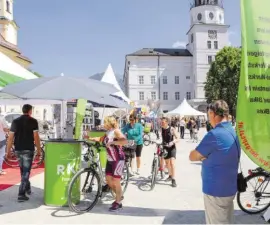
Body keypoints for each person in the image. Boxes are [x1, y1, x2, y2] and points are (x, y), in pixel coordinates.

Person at [189, 100, 239, 224]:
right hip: (229, 188)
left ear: (212, 113)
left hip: (216, 191)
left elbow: (192, 156)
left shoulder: (214, 135)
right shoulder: (233, 132)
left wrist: (202, 157)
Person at [85, 116, 127, 212]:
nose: (103, 124)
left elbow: (124, 141)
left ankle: (118, 202)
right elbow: (100, 139)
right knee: (108, 180)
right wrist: (89, 137)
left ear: (109, 123)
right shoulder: (108, 132)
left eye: (105, 122)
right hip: (110, 159)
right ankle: (119, 195)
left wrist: (112, 142)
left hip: (118, 159)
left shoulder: (116, 131)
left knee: (116, 181)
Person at [6, 104, 42, 202]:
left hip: (18, 149)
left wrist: (8, 151)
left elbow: (10, 138)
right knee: (26, 171)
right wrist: (39, 150)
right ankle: (21, 194)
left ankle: (27, 188)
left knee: (23, 170)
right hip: (28, 149)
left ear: (23, 111)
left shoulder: (15, 121)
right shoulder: (33, 121)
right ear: (30, 111)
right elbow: (36, 137)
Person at [161, 117, 179, 187]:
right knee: (167, 164)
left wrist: (172, 142)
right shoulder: (161, 129)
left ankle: (173, 180)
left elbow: (178, 138)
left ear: (167, 122)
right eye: (161, 122)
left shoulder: (172, 129)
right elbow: (162, 138)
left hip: (172, 148)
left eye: (163, 122)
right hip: (165, 148)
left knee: (172, 163)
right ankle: (170, 175)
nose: (162, 123)